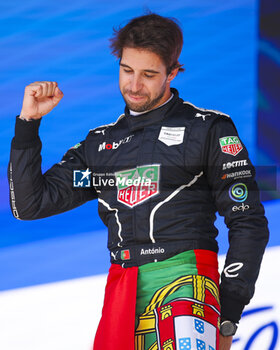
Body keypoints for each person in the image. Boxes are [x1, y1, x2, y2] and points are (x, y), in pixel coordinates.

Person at [8, 13, 269, 350]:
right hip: (122, 291)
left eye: (148, 75)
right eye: (127, 70)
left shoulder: (208, 129)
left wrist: (229, 310)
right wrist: (28, 124)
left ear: (172, 72)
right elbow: (30, 204)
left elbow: (248, 221)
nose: (134, 85)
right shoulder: (99, 147)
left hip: (185, 281)